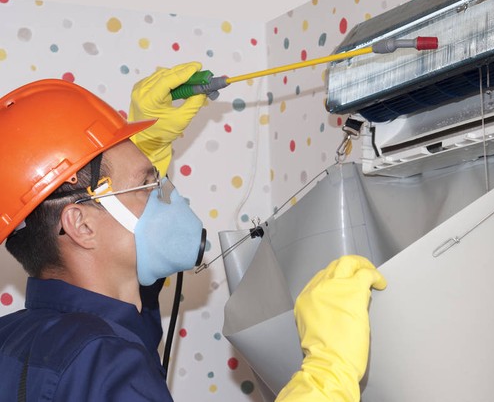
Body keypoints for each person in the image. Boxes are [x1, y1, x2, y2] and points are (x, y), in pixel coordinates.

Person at [0, 62, 386, 401]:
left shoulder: (18, 339)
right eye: (147, 184)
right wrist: (328, 370)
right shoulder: (104, 359)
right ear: (81, 225)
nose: (170, 197)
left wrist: (144, 155)